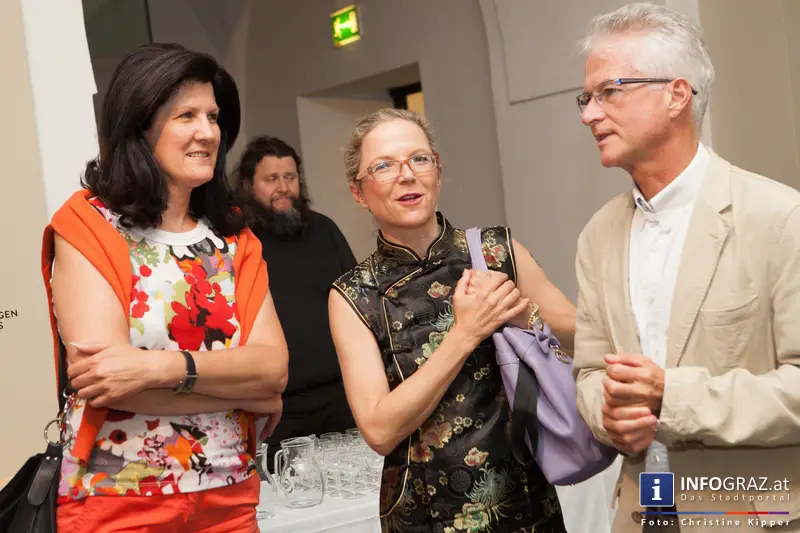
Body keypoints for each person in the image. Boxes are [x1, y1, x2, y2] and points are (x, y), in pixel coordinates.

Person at [572, 3, 800, 533]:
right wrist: (608, 417)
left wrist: (669, 396)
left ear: (676, 94)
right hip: (641, 510)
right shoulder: (597, 236)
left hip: (750, 514)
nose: (589, 113)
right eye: (586, 97)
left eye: (610, 91)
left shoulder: (778, 217)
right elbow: (587, 373)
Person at [45, 43, 289, 533]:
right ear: (139, 125)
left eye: (214, 117)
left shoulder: (234, 237)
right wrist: (241, 392)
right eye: (187, 115)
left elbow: (273, 370)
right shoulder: (89, 224)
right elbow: (109, 382)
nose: (208, 132)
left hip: (230, 496)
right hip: (118, 501)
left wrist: (155, 367)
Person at [329, 108, 573, 532]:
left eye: (419, 159)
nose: (406, 175)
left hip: (525, 501)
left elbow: (581, 335)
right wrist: (464, 334)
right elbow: (380, 430)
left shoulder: (495, 251)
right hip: (426, 513)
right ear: (358, 192)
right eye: (384, 166)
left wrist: (524, 314)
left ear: (438, 172)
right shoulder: (353, 295)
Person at [236, 135, 357, 467]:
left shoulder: (325, 230)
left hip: (341, 398)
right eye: (271, 179)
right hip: (277, 408)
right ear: (248, 185)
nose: (283, 187)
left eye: (290, 177)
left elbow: (359, 302)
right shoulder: (236, 242)